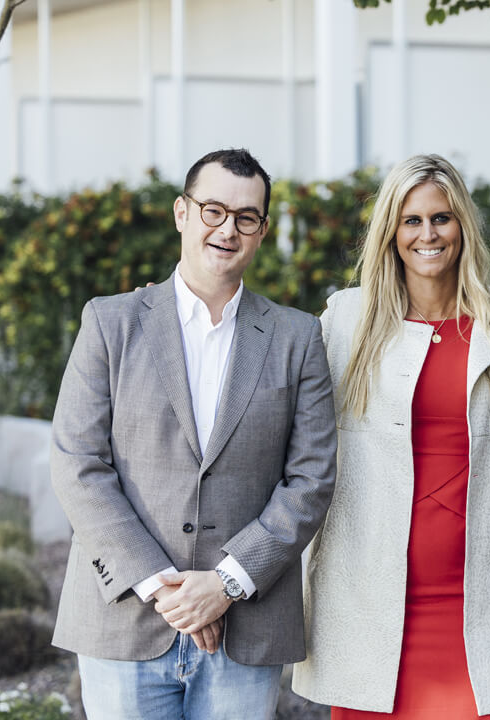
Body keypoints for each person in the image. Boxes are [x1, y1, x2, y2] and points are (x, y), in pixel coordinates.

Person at [49, 148, 338, 719]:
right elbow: (77, 463)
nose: (227, 228)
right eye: (213, 210)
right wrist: (164, 588)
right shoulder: (110, 323)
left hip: (245, 630)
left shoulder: (297, 337)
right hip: (124, 622)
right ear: (182, 213)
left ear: (262, 231)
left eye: (246, 216)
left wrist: (225, 584)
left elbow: (311, 480)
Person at [291, 154, 490, 719]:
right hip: (370, 607)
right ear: (390, 232)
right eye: (411, 220)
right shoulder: (344, 322)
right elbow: (287, 431)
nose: (428, 234)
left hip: (481, 604)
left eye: (442, 218)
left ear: (463, 227)